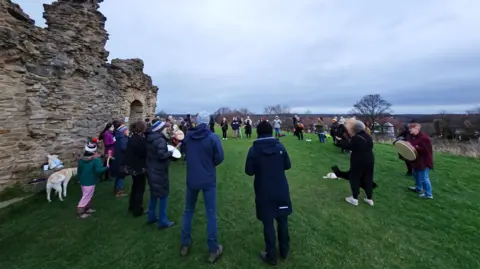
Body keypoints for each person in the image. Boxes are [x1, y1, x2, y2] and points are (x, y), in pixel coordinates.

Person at [245, 120, 292, 265]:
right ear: (271, 132)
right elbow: (287, 165)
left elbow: (249, 170)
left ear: (258, 133)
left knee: (268, 222)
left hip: (264, 190)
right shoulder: (280, 147)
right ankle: (283, 251)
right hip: (280, 188)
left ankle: (272, 254)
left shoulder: (254, 150)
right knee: (282, 220)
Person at [180, 111, 224, 263]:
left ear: (197, 122)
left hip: (193, 178)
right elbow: (219, 157)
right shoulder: (212, 137)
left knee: (188, 211)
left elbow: (185, 153)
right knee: (211, 214)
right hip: (207, 178)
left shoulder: (189, 137)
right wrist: (210, 164)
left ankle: (185, 244)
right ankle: (212, 249)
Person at [333, 119, 375, 206]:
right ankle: (369, 199)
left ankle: (354, 199)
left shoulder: (356, 138)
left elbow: (348, 146)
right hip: (370, 160)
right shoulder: (368, 136)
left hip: (358, 161)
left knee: (354, 177)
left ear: (355, 129)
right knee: (368, 178)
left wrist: (338, 141)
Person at [146, 120, 176, 228]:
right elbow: (162, 155)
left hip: (151, 168)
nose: (166, 129)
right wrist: (171, 153)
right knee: (163, 195)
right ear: (160, 129)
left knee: (154, 194)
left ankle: (151, 216)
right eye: (164, 128)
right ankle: (163, 221)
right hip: (158, 170)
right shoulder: (159, 140)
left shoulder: (150, 138)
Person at [77, 139, 108, 219]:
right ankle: (80, 211)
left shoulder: (81, 159)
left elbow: (79, 171)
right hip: (90, 181)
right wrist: (107, 167)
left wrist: (79, 179)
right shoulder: (96, 160)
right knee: (86, 196)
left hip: (82, 181)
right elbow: (98, 170)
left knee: (87, 195)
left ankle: (87, 208)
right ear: (94, 151)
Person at [123, 121, 148, 217]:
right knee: (139, 189)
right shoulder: (139, 139)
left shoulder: (133, 137)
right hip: (139, 167)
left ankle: (132, 206)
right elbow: (143, 152)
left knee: (135, 187)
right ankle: (137, 210)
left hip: (134, 166)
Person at [407, 123, 434, 199]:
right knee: (416, 174)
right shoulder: (412, 137)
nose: (410, 130)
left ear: (417, 129)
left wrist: (415, 147)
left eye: (411, 128)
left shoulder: (424, 138)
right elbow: (410, 145)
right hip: (416, 160)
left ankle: (428, 194)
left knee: (424, 178)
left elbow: (426, 151)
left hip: (424, 161)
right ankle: (418, 188)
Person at [111, 124, 129, 197]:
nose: (128, 131)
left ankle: (116, 189)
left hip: (117, 158)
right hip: (121, 159)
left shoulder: (117, 137)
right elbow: (124, 148)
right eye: (127, 130)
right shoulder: (123, 138)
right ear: (124, 131)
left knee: (118, 175)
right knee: (121, 175)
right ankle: (119, 191)